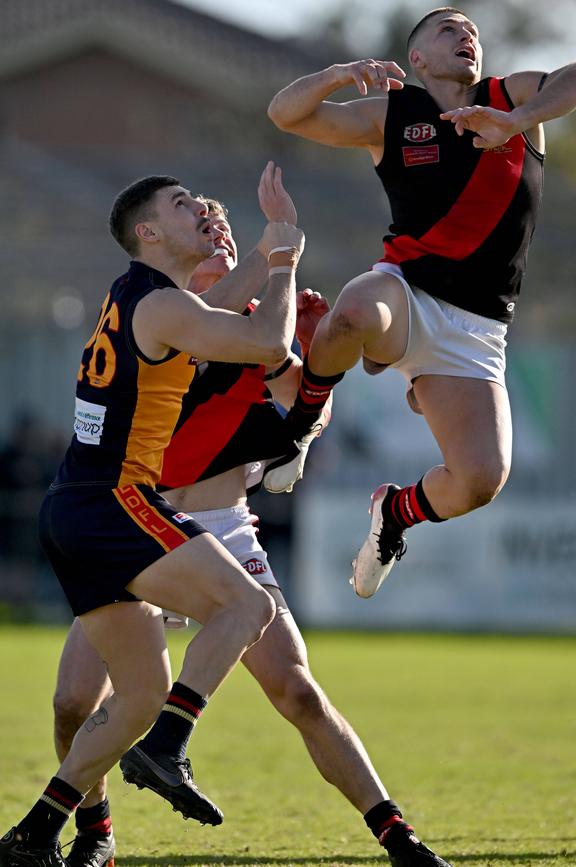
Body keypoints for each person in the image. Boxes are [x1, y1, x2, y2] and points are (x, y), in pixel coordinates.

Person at [51, 199, 453, 867]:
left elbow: (300, 407)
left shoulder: (263, 322)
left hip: (222, 527)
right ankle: (95, 831)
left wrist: (320, 376)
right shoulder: (170, 313)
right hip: (139, 524)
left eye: (225, 232)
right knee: (72, 701)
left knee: (297, 688)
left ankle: (398, 836)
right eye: (202, 228)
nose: (218, 239)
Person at [0, 163, 304, 867]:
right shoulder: (161, 305)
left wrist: (260, 254)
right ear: (149, 232)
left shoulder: (145, 297)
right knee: (248, 606)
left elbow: (213, 316)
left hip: (73, 506)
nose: (197, 207)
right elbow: (267, 347)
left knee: (137, 692)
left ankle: (43, 832)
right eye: (180, 203)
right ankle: (169, 744)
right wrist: (285, 263)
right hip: (114, 501)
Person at [267, 7, 576, 597]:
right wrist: (339, 74)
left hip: (477, 327)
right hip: (406, 290)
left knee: (479, 480)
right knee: (353, 309)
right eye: (447, 29)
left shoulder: (514, 96)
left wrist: (516, 121)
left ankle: (394, 514)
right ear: (418, 58)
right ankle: (301, 424)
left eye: (471, 30)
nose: (465, 35)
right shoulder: (393, 115)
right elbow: (285, 114)